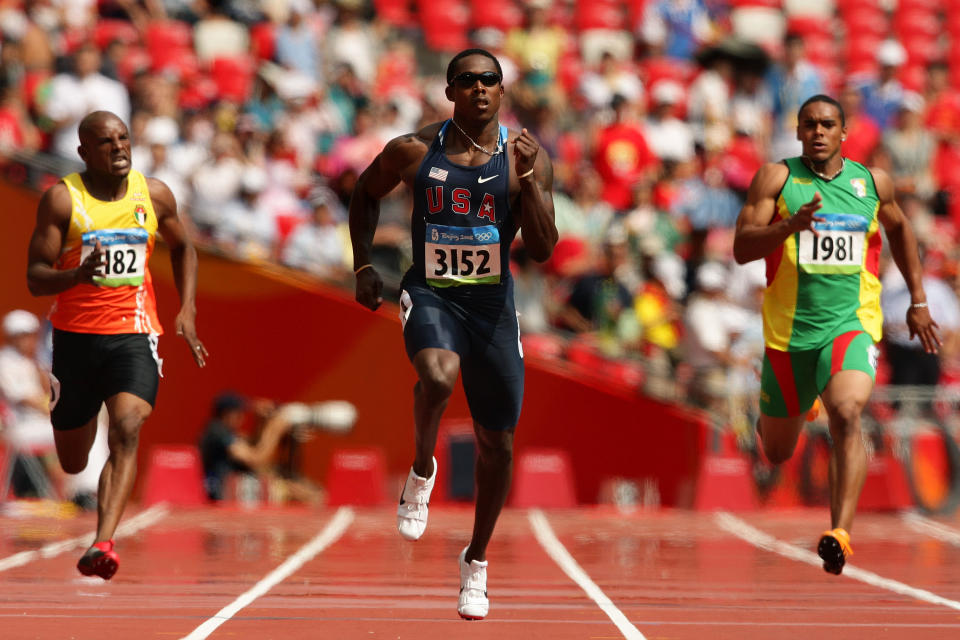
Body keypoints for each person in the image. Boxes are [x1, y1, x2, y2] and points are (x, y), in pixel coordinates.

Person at [349, 48, 557, 620]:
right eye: (467, 80)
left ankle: (477, 559)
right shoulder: (414, 150)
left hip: (492, 307)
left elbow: (542, 247)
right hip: (433, 292)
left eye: (489, 80)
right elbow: (365, 194)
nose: (480, 89)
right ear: (450, 92)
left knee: (498, 445)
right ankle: (422, 468)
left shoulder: (524, 159)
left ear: (502, 91)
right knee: (438, 377)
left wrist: (534, 183)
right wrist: (364, 265)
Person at [733, 94, 941, 575]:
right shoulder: (777, 179)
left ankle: (840, 533)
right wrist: (789, 225)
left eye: (828, 124)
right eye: (810, 124)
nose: (819, 132)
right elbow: (743, 248)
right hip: (787, 335)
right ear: (799, 131)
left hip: (850, 324)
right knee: (778, 451)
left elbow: (902, 230)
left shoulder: (871, 182)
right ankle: (803, 398)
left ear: (843, 133)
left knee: (848, 412)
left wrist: (918, 300)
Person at [26, 110, 207, 580]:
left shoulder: (155, 194)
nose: (120, 148)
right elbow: (35, 277)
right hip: (75, 339)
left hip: (134, 332)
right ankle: (94, 512)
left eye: (124, 138)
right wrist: (75, 275)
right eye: (107, 143)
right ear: (85, 152)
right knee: (73, 457)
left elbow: (184, 246)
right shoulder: (63, 201)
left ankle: (103, 542)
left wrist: (185, 309)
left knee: (128, 426)